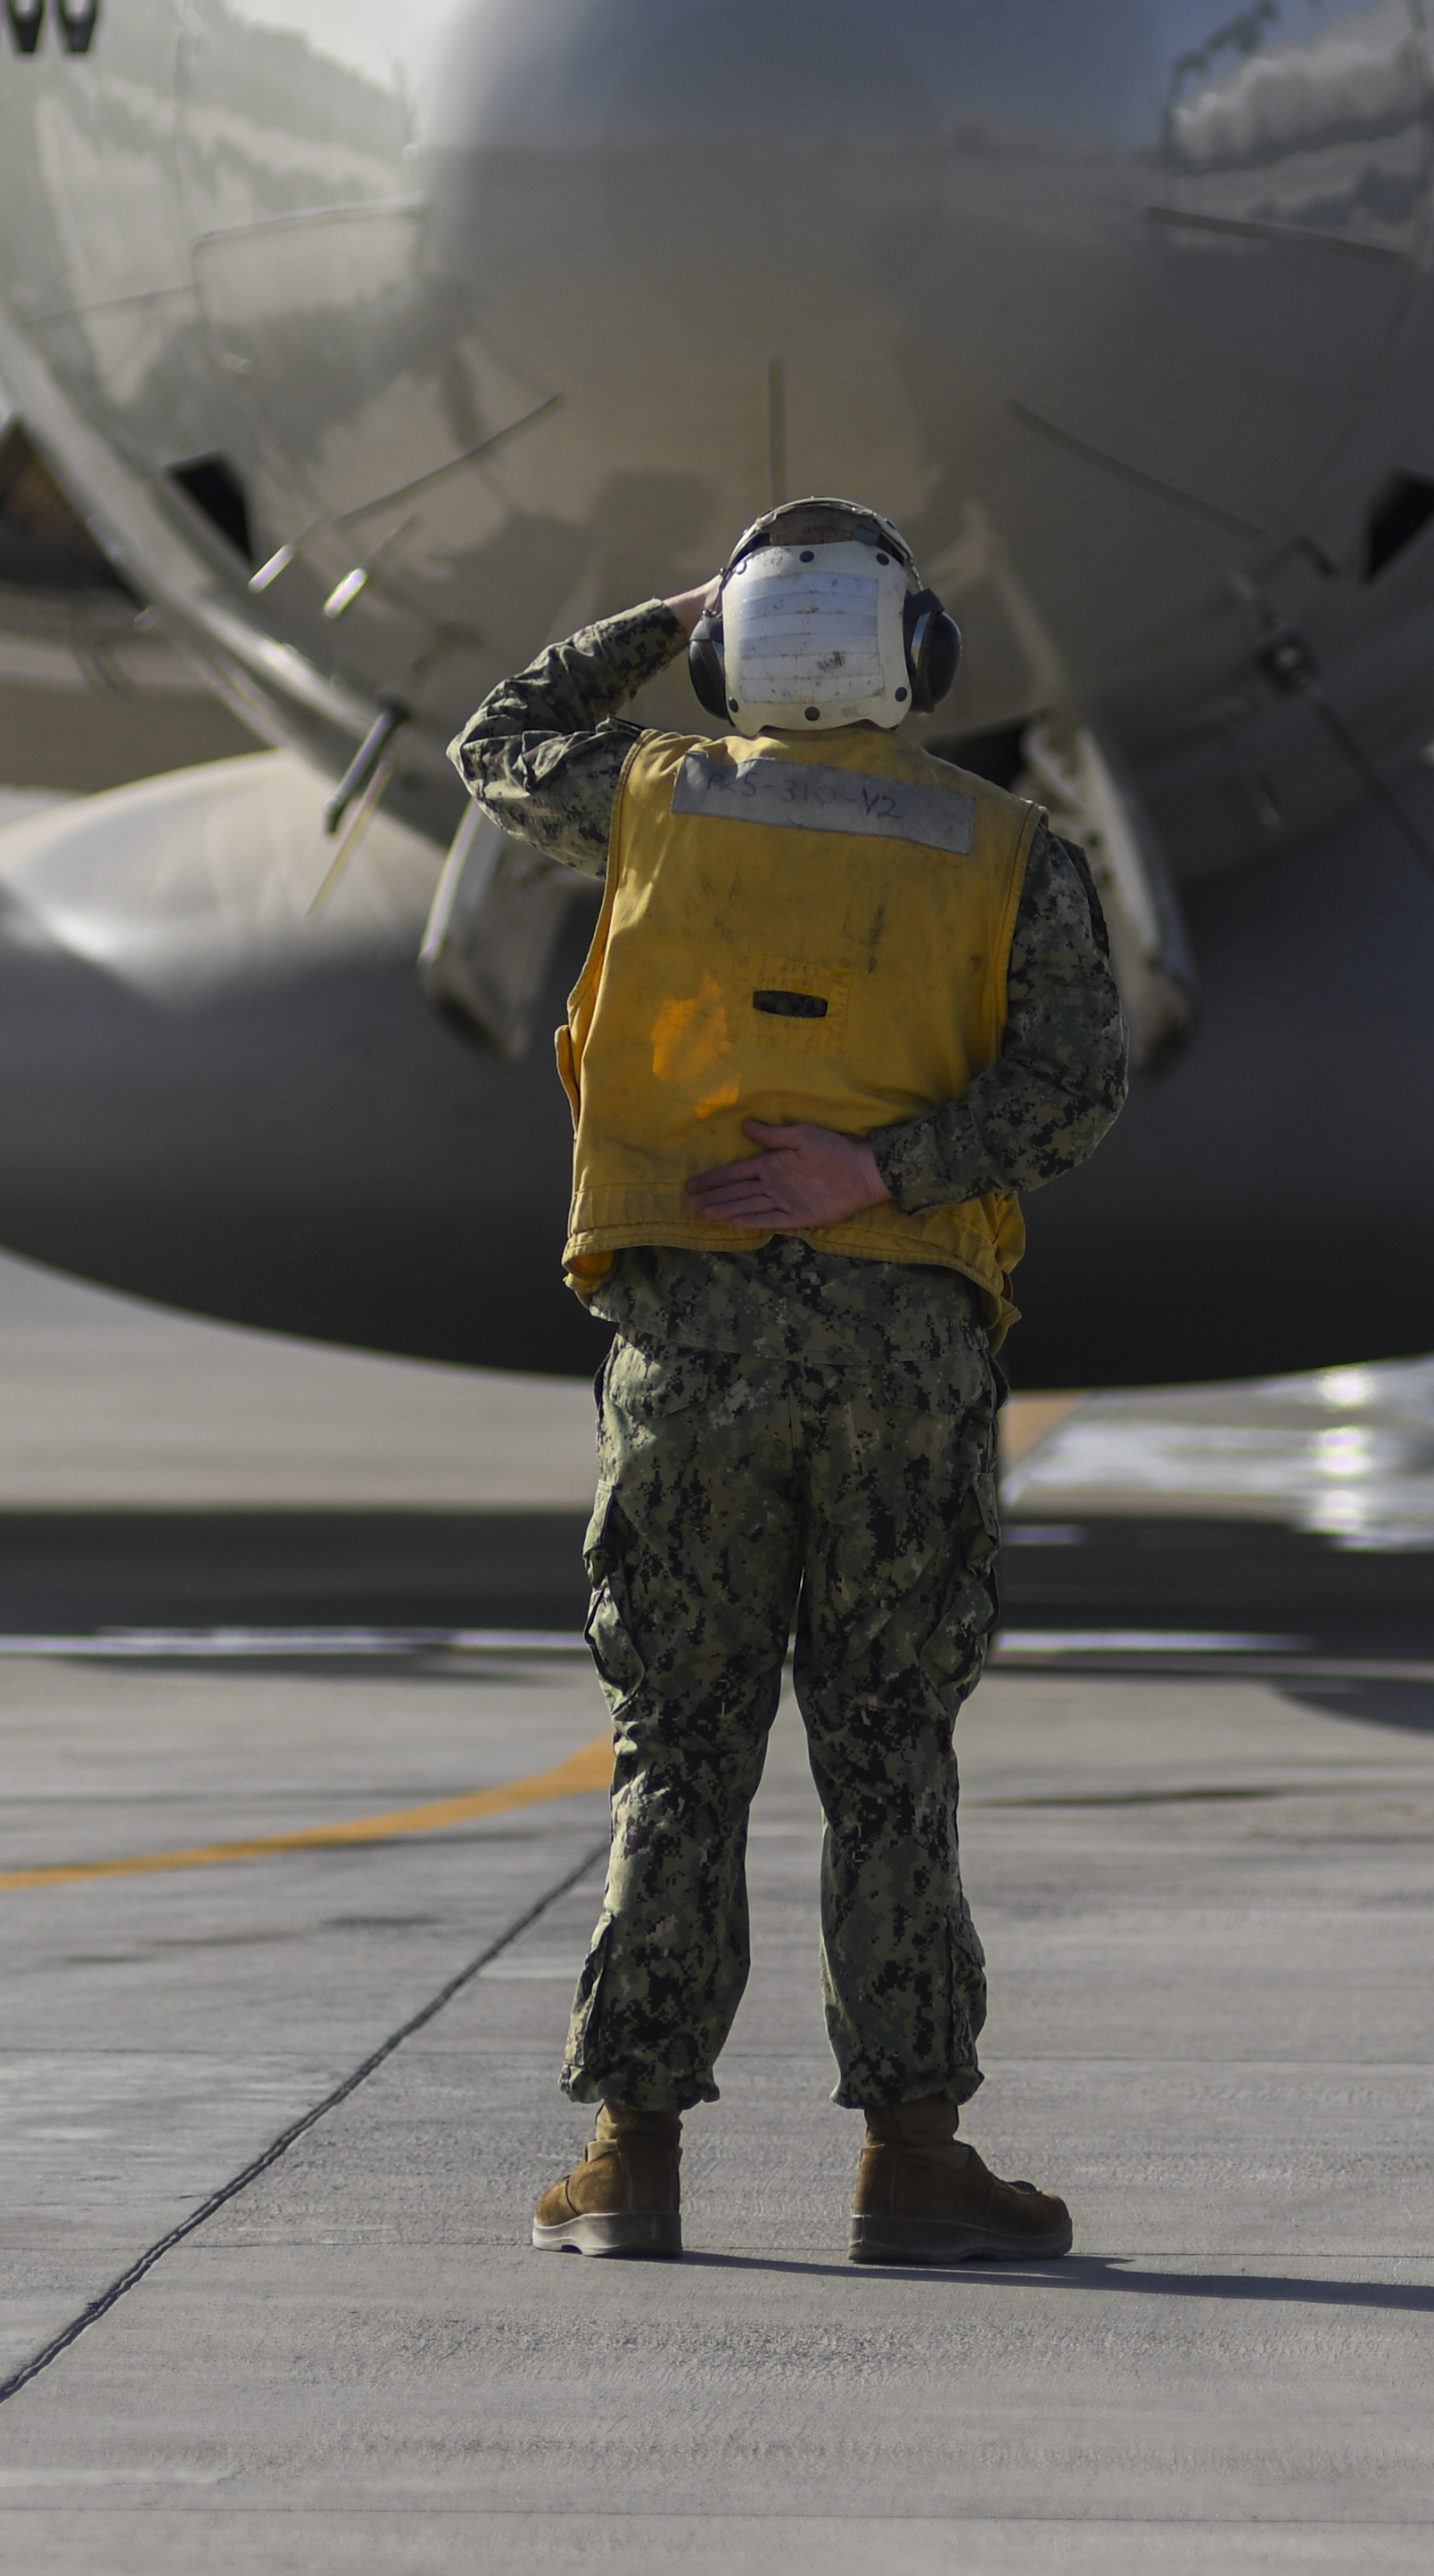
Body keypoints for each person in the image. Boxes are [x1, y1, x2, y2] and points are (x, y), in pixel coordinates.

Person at [449, 499, 1130, 2265]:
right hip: (902, 1344)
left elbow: (494, 737)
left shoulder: (652, 800)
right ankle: (909, 2162)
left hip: (694, 1343)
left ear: (734, 650)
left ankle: (628, 2163)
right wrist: (884, 1172)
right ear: (912, 661)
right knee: (888, 1750)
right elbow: (1071, 1091)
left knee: (676, 1747)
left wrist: (655, 615)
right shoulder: (1008, 851)